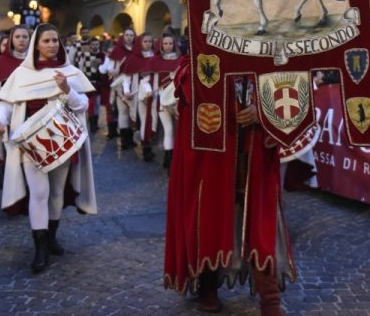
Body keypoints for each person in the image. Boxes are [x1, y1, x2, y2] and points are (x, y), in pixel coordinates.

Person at [164, 62, 294, 316]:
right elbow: (190, 106)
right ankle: (207, 285)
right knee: (211, 218)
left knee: (260, 220)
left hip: (256, 155)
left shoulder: (269, 54)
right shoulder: (199, 60)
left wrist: (264, 111)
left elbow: (290, 94)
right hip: (215, 157)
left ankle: (270, 298)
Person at [0, 24, 97, 273]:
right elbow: (6, 103)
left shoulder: (70, 72)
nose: (52, 45)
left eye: (55, 41)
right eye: (46, 41)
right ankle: (39, 249)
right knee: (39, 193)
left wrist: (67, 90)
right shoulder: (21, 74)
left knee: (57, 191)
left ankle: (51, 237)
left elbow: (82, 106)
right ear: (36, 44)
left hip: (62, 141)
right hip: (31, 143)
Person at [0, 25, 31, 174]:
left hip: (34, 113)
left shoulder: (36, 61)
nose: (21, 40)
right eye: (17, 37)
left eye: (25, 37)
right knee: (8, 150)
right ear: (11, 40)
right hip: (9, 112)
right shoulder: (0, 62)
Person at [150, 33, 183, 169]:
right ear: (161, 45)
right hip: (162, 100)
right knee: (168, 130)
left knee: (177, 131)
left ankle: (174, 159)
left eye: (170, 43)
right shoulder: (155, 60)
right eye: (165, 43)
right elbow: (151, 81)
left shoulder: (181, 60)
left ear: (174, 44)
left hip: (178, 101)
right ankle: (169, 161)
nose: (168, 46)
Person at [124, 32, 156, 161]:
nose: (148, 44)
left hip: (155, 92)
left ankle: (152, 146)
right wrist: (126, 90)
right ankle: (146, 149)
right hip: (140, 94)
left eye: (150, 41)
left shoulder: (156, 56)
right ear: (140, 43)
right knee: (144, 120)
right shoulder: (134, 58)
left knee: (154, 121)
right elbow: (126, 77)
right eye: (145, 41)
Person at [105, 28, 136, 150]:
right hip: (120, 85)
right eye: (127, 35)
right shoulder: (117, 50)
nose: (129, 37)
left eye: (131, 35)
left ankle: (131, 138)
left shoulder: (137, 50)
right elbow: (110, 70)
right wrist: (118, 68)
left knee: (133, 112)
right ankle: (124, 140)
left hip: (134, 85)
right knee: (123, 112)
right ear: (123, 37)